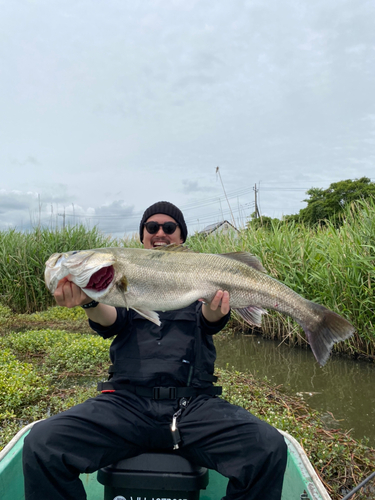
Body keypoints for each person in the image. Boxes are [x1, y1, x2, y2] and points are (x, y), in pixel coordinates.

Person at [23, 201, 287, 500]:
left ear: (181, 237)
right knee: (42, 443)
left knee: (269, 447)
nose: (160, 232)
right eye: (151, 227)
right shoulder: (121, 282)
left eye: (169, 227)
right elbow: (110, 321)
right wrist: (89, 301)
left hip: (194, 406)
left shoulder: (198, 273)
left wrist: (217, 308)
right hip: (126, 405)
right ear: (142, 236)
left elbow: (210, 320)